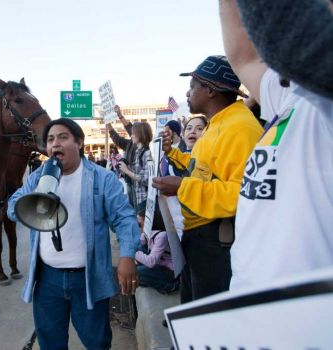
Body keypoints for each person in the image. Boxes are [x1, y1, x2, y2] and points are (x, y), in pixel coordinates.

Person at [219, 0, 333, 290]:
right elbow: (244, 57)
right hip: (252, 317)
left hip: (308, 325)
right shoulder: (293, 97)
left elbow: (284, 38)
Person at [7, 118, 140, 350]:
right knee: (50, 341)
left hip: (88, 278)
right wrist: (37, 197)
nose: (55, 144)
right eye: (50, 140)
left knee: (97, 341)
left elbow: (124, 217)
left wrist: (127, 257)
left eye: (63, 137)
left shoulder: (102, 178)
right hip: (48, 279)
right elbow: (12, 207)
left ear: (79, 142)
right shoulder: (39, 177)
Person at [152, 55, 263, 303]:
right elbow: (203, 170)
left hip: (217, 243)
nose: (188, 92)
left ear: (210, 90)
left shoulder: (240, 128)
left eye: (193, 87)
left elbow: (243, 194)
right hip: (200, 238)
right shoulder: (219, 124)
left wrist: (182, 186)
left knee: (210, 326)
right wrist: (173, 155)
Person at [117, 122, 153, 227]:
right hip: (138, 197)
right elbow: (138, 174)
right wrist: (125, 169)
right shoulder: (138, 152)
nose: (131, 136)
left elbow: (146, 179)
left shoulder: (146, 153)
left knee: (143, 225)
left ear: (141, 134)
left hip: (144, 198)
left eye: (133, 133)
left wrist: (127, 171)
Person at [135, 230, 179, 294]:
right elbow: (139, 243)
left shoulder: (162, 236)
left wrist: (131, 252)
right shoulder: (148, 233)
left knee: (135, 273)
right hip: (160, 262)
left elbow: (151, 262)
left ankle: (170, 287)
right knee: (139, 249)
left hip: (171, 271)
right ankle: (148, 277)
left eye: (140, 224)